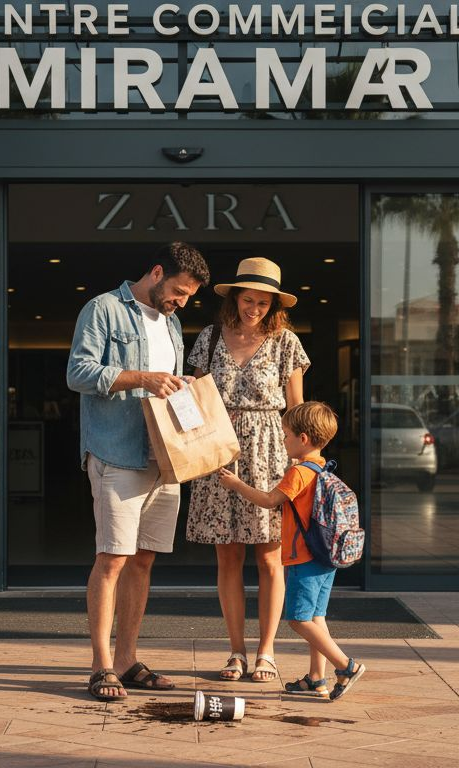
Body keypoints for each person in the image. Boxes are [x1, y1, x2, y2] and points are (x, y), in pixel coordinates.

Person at [66, 242, 211, 702]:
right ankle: (100, 666)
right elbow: (79, 372)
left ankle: (127, 660)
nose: (182, 303)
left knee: (143, 559)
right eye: (179, 292)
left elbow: (163, 382)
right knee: (112, 559)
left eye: (188, 297)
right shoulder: (103, 309)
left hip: (163, 456)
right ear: (155, 272)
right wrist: (143, 377)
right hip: (116, 452)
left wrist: (177, 383)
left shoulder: (171, 322)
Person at [185, 257, 308, 684]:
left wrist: (300, 468)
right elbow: (196, 402)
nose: (254, 308)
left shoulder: (286, 342)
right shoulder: (209, 337)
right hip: (218, 453)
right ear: (234, 298)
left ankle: (267, 652)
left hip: (270, 453)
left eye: (263, 302)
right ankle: (236, 651)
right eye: (247, 299)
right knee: (228, 555)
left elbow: (296, 412)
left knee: (271, 556)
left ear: (274, 304)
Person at [217, 402, 367, 701]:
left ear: (304, 439)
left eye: (286, 436)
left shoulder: (298, 473)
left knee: (298, 620)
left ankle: (345, 665)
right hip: (326, 557)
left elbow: (269, 500)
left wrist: (236, 484)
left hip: (304, 557)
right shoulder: (323, 468)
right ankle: (316, 678)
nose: (283, 441)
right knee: (316, 617)